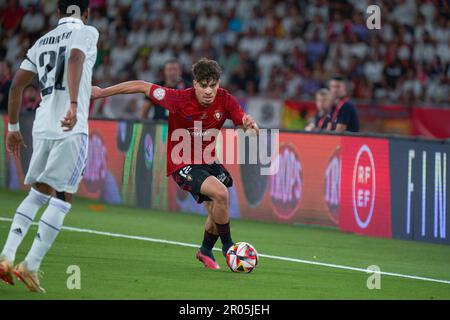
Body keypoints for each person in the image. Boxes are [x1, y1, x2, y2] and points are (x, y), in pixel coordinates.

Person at [92, 58, 259, 270]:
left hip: (208, 160)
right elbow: (141, 86)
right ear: (195, 84)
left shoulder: (225, 99)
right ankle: (229, 248)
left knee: (217, 208)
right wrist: (101, 92)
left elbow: (248, 128)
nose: (209, 91)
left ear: (218, 84)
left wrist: (251, 127)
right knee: (221, 195)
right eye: (204, 85)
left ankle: (205, 250)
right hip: (182, 163)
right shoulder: (178, 98)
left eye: (213, 85)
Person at [0, 0, 99, 292]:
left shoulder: (42, 41)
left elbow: (17, 86)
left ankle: (6, 255)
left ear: (58, 13)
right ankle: (30, 265)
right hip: (71, 125)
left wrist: (13, 128)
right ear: (86, 13)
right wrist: (72, 103)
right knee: (63, 197)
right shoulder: (87, 31)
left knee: (39, 191)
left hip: (43, 125)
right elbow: (75, 59)